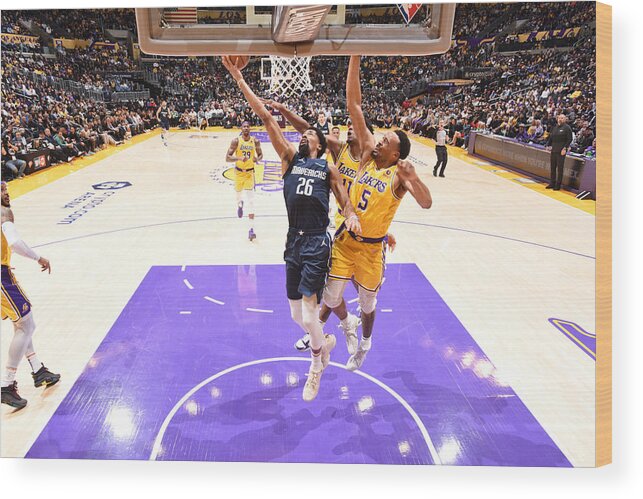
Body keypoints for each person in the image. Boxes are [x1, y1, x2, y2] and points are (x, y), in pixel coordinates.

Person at [222, 56, 362, 402]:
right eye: (304, 133)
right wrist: (240, 79)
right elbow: (266, 117)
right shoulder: (289, 159)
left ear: (318, 143)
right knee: (296, 315)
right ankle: (325, 342)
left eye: (310, 134)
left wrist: (351, 214)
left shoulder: (327, 168)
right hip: (293, 241)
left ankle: (316, 366)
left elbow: (343, 199)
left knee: (311, 313)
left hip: (317, 242)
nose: (305, 136)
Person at [324, 55, 432, 372]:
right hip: (346, 240)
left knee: (369, 303)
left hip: (372, 249)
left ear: (394, 154)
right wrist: (355, 56)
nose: (378, 140)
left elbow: (426, 203)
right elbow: (354, 105)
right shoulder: (367, 156)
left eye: (384, 141)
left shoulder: (399, 175)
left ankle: (365, 346)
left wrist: (415, 179)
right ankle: (347, 327)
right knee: (330, 298)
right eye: (380, 138)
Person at [1, 181, 60, 409]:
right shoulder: (4, 212)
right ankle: (6, 385)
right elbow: (14, 243)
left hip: (4, 274)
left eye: (6, 189)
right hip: (2, 277)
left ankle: (37, 370)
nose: (7, 193)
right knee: (26, 325)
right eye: (2, 190)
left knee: (23, 325)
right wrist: (39, 258)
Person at [225, 121, 263, 241]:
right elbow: (227, 158)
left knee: (251, 201)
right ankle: (240, 204)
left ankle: (251, 230)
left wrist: (257, 158)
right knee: (238, 196)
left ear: (250, 128)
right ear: (241, 128)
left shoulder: (255, 141)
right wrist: (239, 157)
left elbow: (261, 154)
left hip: (250, 173)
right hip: (239, 172)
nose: (246, 128)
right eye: (244, 126)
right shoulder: (236, 141)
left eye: (248, 126)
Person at [545, 114, 573, 190]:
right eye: (559, 118)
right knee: (552, 168)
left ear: (565, 119)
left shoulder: (567, 128)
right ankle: (552, 183)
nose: (560, 119)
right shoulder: (555, 127)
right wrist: (548, 145)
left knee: (560, 169)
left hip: (561, 151)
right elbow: (551, 137)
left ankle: (558, 185)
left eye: (562, 118)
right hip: (553, 150)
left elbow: (570, 139)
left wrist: (565, 148)